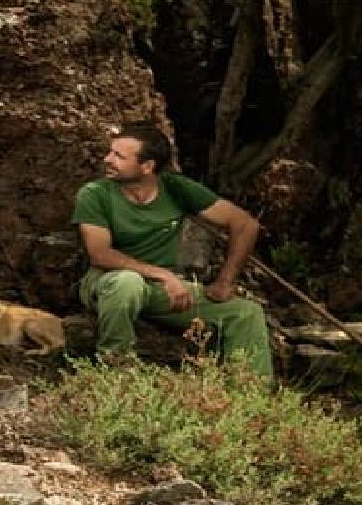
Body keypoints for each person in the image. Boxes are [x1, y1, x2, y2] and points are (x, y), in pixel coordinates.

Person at [71, 124, 273, 375]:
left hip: (160, 290)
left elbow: (245, 225)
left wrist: (226, 281)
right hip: (107, 281)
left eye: (119, 156)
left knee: (246, 313)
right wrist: (164, 275)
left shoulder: (175, 188)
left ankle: (250, 395)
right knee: (128, 283)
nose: (107, 160)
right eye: (110, 152)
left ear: (147, 167)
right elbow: (100, 254)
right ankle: (114, 370)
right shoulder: (94, 194)